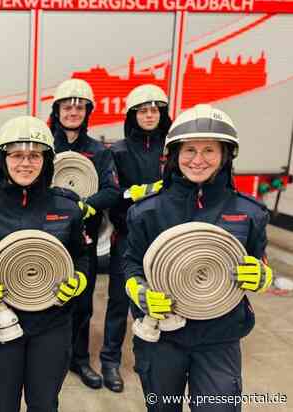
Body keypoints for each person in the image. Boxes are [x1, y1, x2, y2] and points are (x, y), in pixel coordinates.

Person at [124, 104, 272, 411]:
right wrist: (141, 293)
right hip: (162, 338)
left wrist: (262, 276)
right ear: (175, 154)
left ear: (226, 155)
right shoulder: (147, 211)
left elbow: (259, 261)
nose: (198, 159)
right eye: (189, 149)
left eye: (209, 150)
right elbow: (131, 264)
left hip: (220, 338)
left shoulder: (249, 212)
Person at [0, 115, 89, 412]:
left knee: (44, 403)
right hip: (1, 324)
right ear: (3, 159)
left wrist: (79, 280)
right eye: (17, 155)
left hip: (53, 323)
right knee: (2, 403)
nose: (25, 163)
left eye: (34, 155)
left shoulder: (67, 207)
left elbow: (82, 256)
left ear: (47, 160)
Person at [48, 78, 121, 389]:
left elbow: (112, 191)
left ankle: (80, 359)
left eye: (80, 106)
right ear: (57, 110)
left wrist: (85, 206)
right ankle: (50, 359)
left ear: (88, 111)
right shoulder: (44, 146)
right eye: (67, 106)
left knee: (81, 300)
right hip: (49, 237)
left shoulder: (99, 152)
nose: (73, 111)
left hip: (83, 240)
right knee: (45, 296)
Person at [104, 84, 172, 392]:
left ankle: (148, 362)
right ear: (133, 115)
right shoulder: (117, 152)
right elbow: (111, 196)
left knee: (156, 302)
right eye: (143, 110)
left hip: (164, 241)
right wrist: (137, 193)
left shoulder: (173, 148)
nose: (149, 115)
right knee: (120, 301)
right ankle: (109, 362)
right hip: (129, 238)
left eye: (154, 110)